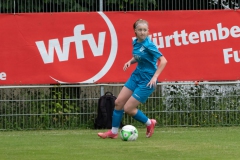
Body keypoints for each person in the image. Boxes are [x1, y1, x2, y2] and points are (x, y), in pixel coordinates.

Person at [98, 19, 167, 139]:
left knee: (128, 108)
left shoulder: (149, 45)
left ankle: (149, 123)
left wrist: (155, 77)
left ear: (148, 31)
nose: (142, 32)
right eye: (140, 30)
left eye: (145, 30)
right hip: (136, 75)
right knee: (118, 102)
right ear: (135, 31)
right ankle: (113, 132)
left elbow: (164, 61)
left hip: (147, 80)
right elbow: (139, 56)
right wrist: (130, 61)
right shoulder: (135, 42)